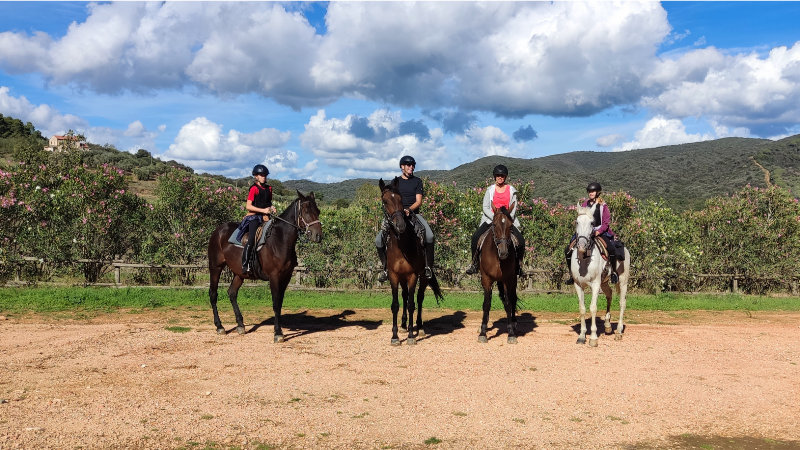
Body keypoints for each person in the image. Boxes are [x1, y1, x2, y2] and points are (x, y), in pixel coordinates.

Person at [376, 155, 435, 282]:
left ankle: (427, 267)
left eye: (413, 165)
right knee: (378, 240)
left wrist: (409, 210)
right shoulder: (395, 182)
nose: (411, 167)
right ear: (402, 167)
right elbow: (390, 199)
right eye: (408, 165)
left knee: (429, 236)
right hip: (396, 215)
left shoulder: (417, 181)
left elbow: (418, 201)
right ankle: (385, 268)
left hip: (413, 214)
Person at [464, 164, 525, 276]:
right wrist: (495, 219)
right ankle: (474, 264)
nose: (500, 177)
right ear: (494, 176)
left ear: (505, 177)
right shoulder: (490, 190)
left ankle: (519, 266)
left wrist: (506, 219)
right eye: (498, 175)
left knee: (520, 240)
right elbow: (485, 207)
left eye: (502, 175)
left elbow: (514, 207)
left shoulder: (512, 190)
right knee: (476, 237)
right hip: (490, 219)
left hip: (507, 221)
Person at [565, 181, 618, 284]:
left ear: (598, 192)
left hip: (600, 232)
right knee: (568, 249)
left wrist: (599, 231)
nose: (591, 193)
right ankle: (572, 274)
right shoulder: (585, 204)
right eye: (589, 191)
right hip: (585, 232)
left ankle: (613, 273)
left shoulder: (603, 206)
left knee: (611, 249)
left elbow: (606, 222)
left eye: (593, 191)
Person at [237, 164, 277, 275]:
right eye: (261, 175)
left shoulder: (269, 188)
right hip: (254, 217)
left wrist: (271, 207)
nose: (264, 177)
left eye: (265, 175)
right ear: (256, 176)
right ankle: (245, 264)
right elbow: (248, 206)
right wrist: (263, 211)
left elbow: (268, 203)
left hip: (266, 216)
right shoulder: (254, 189)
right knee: (252, 238)